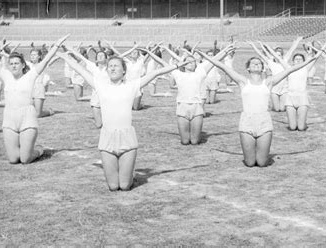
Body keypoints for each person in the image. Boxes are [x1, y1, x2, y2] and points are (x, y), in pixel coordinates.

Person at [58, 51, 190, 191]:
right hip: (107, 138)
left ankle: (130, 174)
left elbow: (154, 74)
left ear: (124, 70)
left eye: (116, 66)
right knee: (114, 187)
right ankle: (124, 171)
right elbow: (81, 70)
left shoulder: (131, 86)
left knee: (125, 186)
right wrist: (64, 56)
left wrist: (177, 65)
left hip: (127, 138)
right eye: (110, 66)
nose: (113, 68)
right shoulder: (101, 85)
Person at [196, 39, 326, 167]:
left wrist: (309, 60)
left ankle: (261, 151)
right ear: (248, 68)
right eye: (253, 63)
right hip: (247, 121)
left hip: (264, 122)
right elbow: (223, 67)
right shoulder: (243, 81)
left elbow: (290, 70)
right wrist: (207, 57)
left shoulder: (269, 82)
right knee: (249, 163)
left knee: (261, 163)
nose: (256, 64)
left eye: (259, 63)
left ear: (262, 68)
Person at [0, 35, 69, 164]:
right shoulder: (6, 75)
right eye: (11, 63)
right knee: (13, 160)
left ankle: (39, 150)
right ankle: (22, 147)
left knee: (25, 159)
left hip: (27, 118)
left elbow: (46, 60)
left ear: (23, 65)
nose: (14, 66)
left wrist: (57, 46)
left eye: (17, 63)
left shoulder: (30, 76)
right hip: (9, 119)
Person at [158, 44, 235, 145]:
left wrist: (225, 51)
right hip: (182, 107)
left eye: (193, 62)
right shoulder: (178, 74)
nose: (190, 63)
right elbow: (162, 62)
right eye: (188, 61)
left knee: (194, 142)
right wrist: (151, 53)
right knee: (185, 141)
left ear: (196, 65)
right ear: (183, 64)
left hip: (197, 108)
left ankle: (194, 132)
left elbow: (214, 61)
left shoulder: (200, 73)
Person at [28, 48, 55, 118]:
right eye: (31, 55)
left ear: (39, 56)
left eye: (34, 55)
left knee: (37, 115)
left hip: (39, 89)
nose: (32, 56)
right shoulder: (28, 65)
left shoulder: (42, 64)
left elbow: (49, 58)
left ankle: (49, 111)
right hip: (29, 90)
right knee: (29, 113)